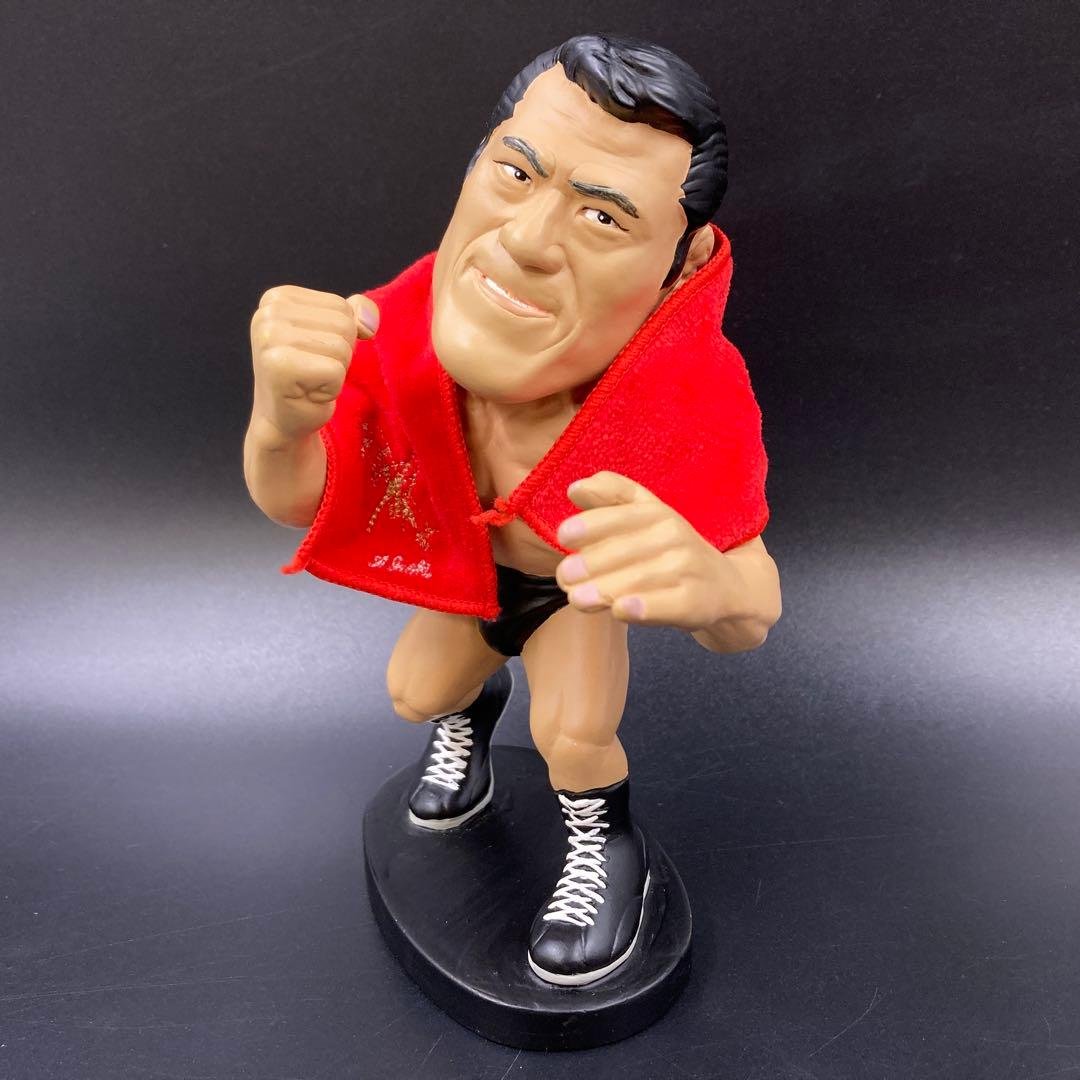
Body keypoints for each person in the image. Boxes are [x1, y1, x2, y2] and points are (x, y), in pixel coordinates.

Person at [243, 34, 782, 987]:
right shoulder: (394, 328)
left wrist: (712, 583)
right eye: (515, 173)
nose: (530, 241)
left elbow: (753, 605)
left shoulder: (686, 391)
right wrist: (280, 422)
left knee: (572, 736)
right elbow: (298, 503)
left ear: (682, 259)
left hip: (570, 590)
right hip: (467, 567)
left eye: (604, 217)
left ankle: (606, 850)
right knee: (416, 694)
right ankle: (470, 718)